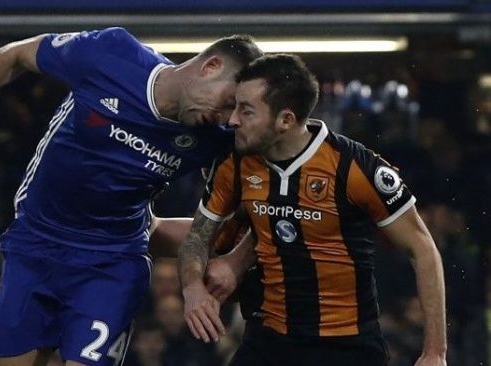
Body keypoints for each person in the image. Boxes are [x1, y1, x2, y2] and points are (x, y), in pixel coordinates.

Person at [0, 27, 262, 366]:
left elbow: (252, 208)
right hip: (37, 244)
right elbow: (17, 55)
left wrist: (232, 264)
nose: (230, 118)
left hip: (112, 263)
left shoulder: (218, 137)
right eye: (230, 103)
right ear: (210, 66)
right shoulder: (111, 53)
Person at [178, 54, 447, 366]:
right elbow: (198, 236)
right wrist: (193, 287)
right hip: (269, 339)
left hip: (346, 346)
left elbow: (423, 248)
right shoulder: (236, 163)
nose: (233, 119)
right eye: (236, 106)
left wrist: (435, 352)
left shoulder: (354, 167)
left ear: (286, 120)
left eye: (246, 111)